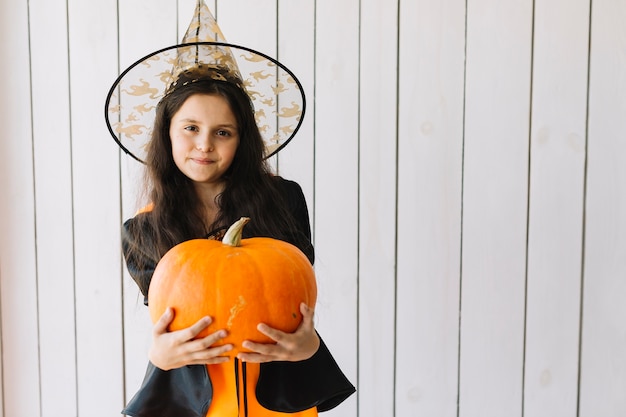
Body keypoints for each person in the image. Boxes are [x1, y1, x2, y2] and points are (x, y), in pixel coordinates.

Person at [110, 5, 355, 411]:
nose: (204, 144)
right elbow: (170, 326)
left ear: (242, 140)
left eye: (222, 132)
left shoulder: (284, 199)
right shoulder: (142, 229)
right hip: (198, 402)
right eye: (191, 128)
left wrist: (307, 344)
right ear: (166, 132)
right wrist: (159, 355)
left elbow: (294, 293)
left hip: (278, 396)